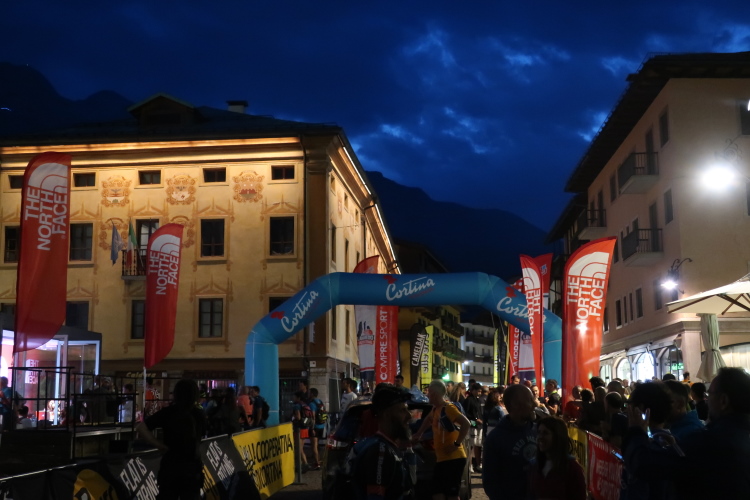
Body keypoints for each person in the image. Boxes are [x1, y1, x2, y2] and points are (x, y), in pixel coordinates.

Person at [137, 379, 207, 500]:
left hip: (170, 465)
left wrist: (158, 444)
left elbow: (141, 427)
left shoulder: (168, 412)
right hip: (192, 466)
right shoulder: (199, 414)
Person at [352, 385, 415, 500]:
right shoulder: (380, 451)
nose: (409, 415)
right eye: (402, 410)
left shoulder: (388, 447)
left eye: (407, 409)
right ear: (386, 414)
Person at [412, 380, 470, 500]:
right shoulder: (435, 409)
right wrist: (418, 434)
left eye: (429, 392)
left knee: (452, 495)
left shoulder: (448, 408)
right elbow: (428, 420)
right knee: (437, 493)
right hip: (442, 459)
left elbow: (466, 423)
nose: (427, 395)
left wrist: (456, 444)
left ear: (434, 394)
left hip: (454, 458)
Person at [482, 384, 537, 500]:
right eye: (529, 401)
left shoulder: (539, 431)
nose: (534, 404)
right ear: (514, 404)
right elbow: (490, 481)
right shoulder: (496, 438)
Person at [527, 416, 586, 500]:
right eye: (539, 432)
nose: (540, 437)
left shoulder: (572, 468)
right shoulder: (534, 465)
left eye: (545, 433)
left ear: (557, 436)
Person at [291, 391, 313, 471]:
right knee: (300, 448)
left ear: (298, 397)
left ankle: (305, 464)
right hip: (305, 428)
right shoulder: (305, 405)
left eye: (294, 396)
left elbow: (298, 417)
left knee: (299, 449)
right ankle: (301, 465)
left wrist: (293, 418)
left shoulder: (297, 406)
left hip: (299, 429)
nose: (293, 398)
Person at [464, 383, 483, 473]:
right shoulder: (469, 400)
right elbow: (465, 413)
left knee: (478, 445)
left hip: (478, 425)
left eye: (480, 391)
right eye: (478, 391)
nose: (479, 393)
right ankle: (470, 464)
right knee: (471, 445)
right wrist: (475, 419)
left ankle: (477, 464)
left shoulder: (477, 400)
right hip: (472, 425)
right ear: (473, 390)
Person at [307, 388, 325, 471]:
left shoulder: (312, 404)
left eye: (309, 393)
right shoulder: (320, 401)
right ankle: (318, 460)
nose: (308, 394)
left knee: (314, 446)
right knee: (317, 445)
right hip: (321, 426)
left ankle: (317, 464)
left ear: (312, 394)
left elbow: (313, 417)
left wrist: (312, 428)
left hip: (315, 427)